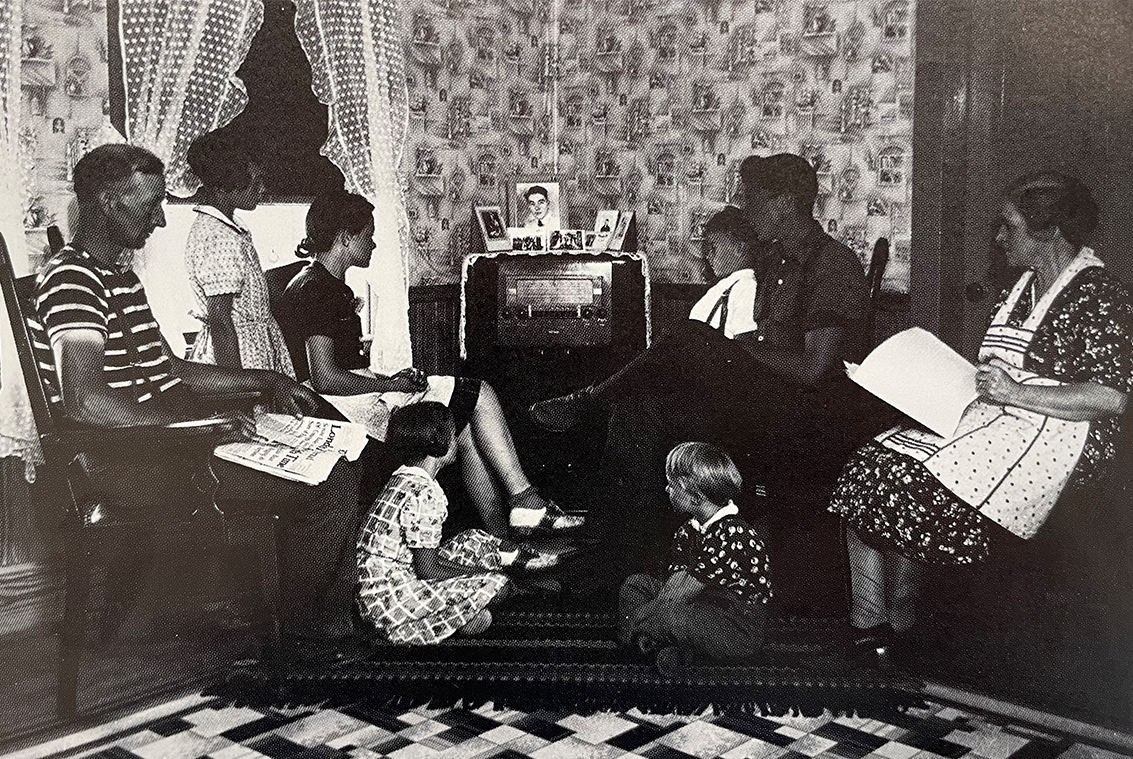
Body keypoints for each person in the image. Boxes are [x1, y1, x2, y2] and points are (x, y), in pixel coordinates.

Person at [30, 144, 367, 662]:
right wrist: (204, 425)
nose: (161, 220)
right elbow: (86, 402)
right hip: (136, 460)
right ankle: (305, 633)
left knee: (342, 449)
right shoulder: (73, 279)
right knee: (331, 475)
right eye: (151, 206)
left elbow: (173, 370)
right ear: (108, 201)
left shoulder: (120, 277)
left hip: (170, 442)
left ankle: (321, 617)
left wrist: (265, 380)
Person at [829, 172, 1133, 657]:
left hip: (1064, 438)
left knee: (906, 480)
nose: (997, 238)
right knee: (870, 461)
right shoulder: (1019, 291)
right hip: (998, 423)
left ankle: (902, 619)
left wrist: (1014, 393)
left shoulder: (1099, 295)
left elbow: (1111, 398)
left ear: (1049, 231)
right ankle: (871, 625)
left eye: (1007, 227)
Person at [531, 155, 869, 575]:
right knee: (639, 410)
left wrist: (736, 349)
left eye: (754, 200)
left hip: (801, 414)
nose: (747, 210)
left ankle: (589, 402)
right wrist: (739, 349)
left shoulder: (832, 265)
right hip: (759, 400)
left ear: (783, 204)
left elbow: (813, 371)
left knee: (695, 337)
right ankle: (609, 553)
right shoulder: (776, 261)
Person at [278, 190, 582, 538]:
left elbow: (339, 367)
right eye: (368, 236)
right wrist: (390, 385)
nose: (374, 244)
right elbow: (326, 378)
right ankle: (525, 499)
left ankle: (502, 539)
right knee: (479, 392)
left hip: (353, 400)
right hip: (346, 414)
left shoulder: (316, 282)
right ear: (346, 238)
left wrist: (389, 379)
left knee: (465, 430)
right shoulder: (318, 290)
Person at [357, 403, 559, 644]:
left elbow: (423, 558)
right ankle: (508, 591)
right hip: (393, 601)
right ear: (438, 443)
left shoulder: (401, 478)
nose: (456, 441)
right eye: (453, 435)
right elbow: (428, 570)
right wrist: (482, 573)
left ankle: (508, 575)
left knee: (473, 539)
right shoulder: (424, 494)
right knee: (497, 584)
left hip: (383, 586)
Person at [618, 442, 771, 676]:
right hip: (698, 608)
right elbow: (673, 587)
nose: (667, 490)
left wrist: (638, 619)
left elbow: (677, 598)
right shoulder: (688, 530)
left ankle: (648, 643)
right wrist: (652, 614)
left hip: (735, 626)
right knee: (635, 584)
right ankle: (671, 650)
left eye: (672, 485)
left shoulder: (732, 534)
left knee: (673, 616)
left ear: (697, 498)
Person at [183, 131, 293, 374]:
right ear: (225, 186)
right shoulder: (218, 235)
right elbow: (221, 322)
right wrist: (237, 386)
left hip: (252, 350)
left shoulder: (229, 228)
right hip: (241, 358)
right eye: (255, 181)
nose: (262, 188)